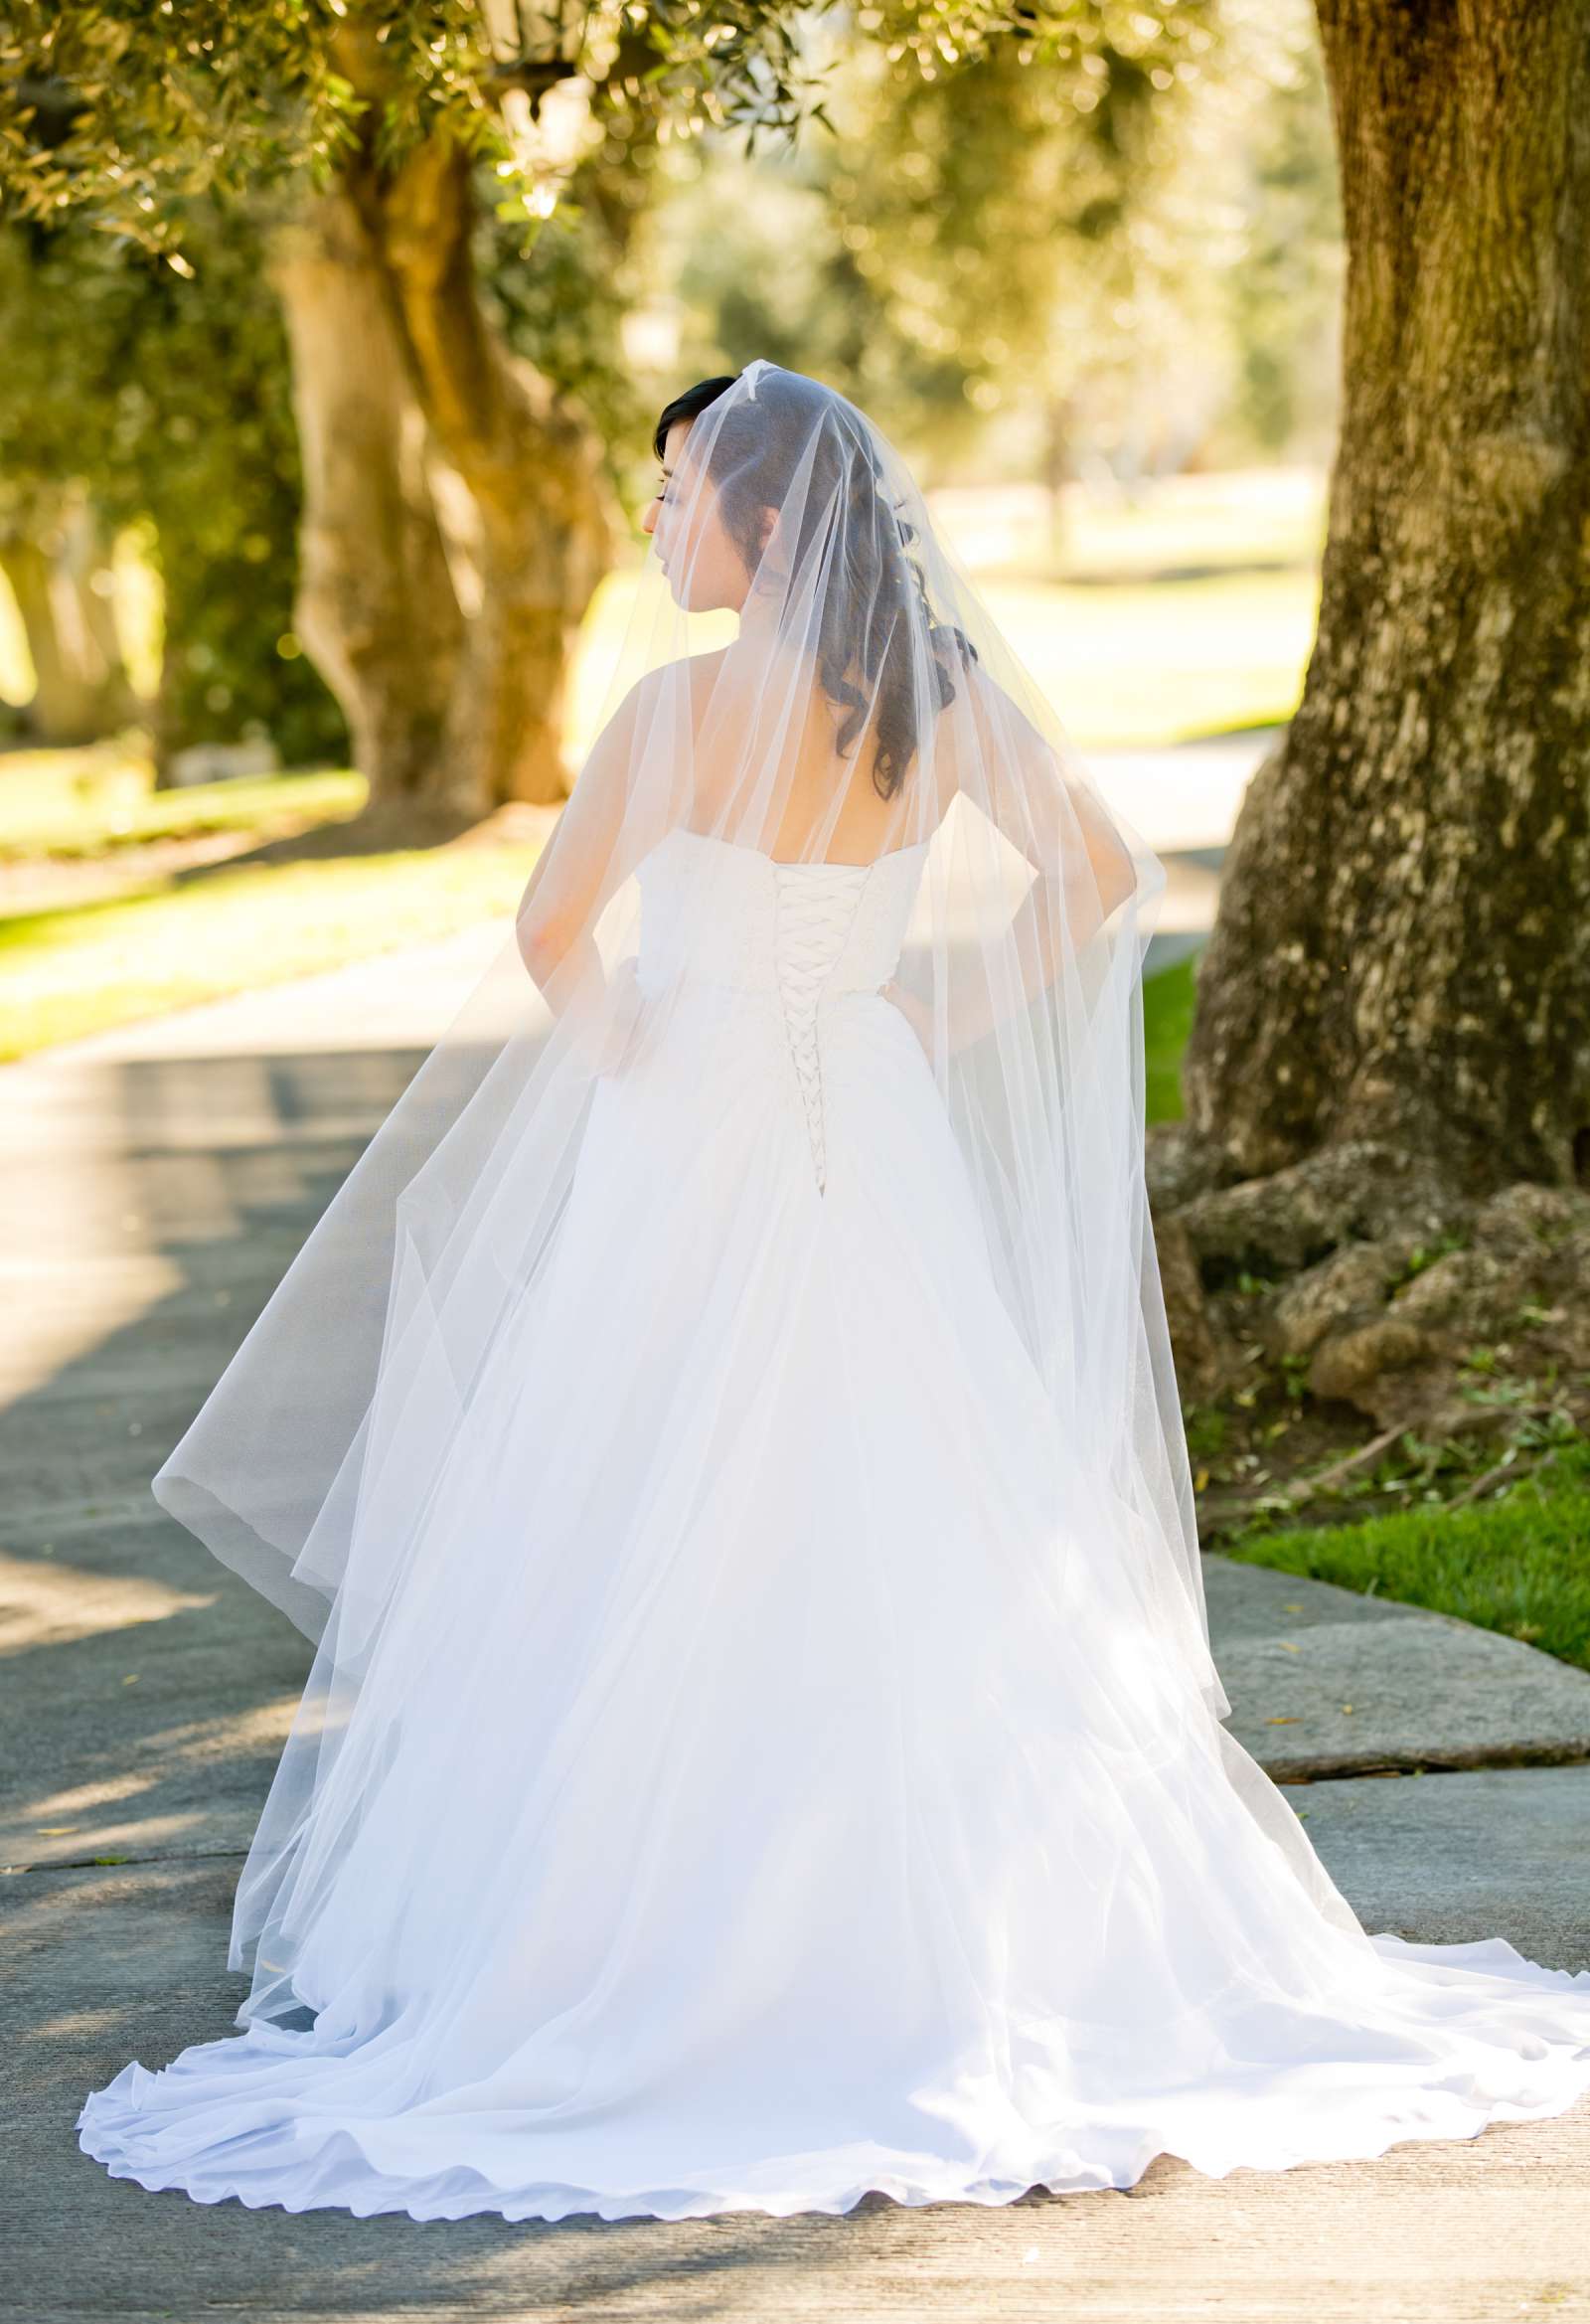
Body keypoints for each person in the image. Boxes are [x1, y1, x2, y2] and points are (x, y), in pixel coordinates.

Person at [79, 363, 1590, 2225]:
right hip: (863, 1131)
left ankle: (619, 1955)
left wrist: (639, 1042)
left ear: (769, 522)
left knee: (635, 1513)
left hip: (686, 1144)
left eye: (677, 491)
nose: (656, 523)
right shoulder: (929, 706)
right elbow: (1098, 875)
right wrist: (921, 1016)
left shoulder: (668, 718)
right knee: (916, 1496)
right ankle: (977, 1950)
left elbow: (550, 930)